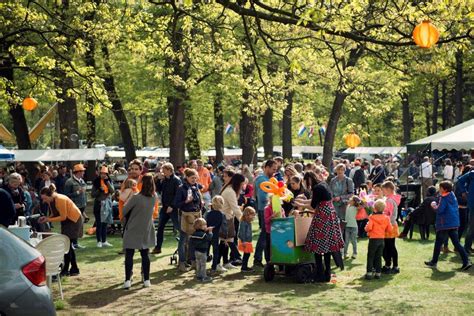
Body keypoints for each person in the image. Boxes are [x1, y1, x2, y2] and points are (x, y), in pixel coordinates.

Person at [295, 167, 344, 283]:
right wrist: (301, 202)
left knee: (317, 244)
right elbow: (315, 201)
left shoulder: (316, 188)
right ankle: (327, 273)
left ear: (309, 180)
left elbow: (312, 205)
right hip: (329, 214)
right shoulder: (323, 184)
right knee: (327, 246)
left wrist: (299, 203)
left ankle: (320, 274)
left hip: (322, 215)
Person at [424, 181, 472, 271]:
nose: (439, 189)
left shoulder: (443, 198)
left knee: (438, 243)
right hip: (453, 223)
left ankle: (433, 262)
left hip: (444, 224)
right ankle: (467, 261)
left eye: (440, 187)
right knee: (456, 243)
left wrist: (433, 205)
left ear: (444, 189)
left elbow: (439, 210)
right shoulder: (452, 195)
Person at [38, 184, 83, 276]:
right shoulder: (51, 201)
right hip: (67, 222)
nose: (44, 201)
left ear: (50, 195)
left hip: (74, 220)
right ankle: (72, 269)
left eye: (45, 198)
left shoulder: (60, 199)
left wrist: (48, 220)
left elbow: (63, 216)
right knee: (67, 245)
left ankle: (68, 269)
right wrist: (46, 217)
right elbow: (54, 214)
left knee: (66, 245)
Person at [122, 174, 158, 289]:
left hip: (133, 227)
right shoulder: (154, 197)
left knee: (129, 254)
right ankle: (146, 279)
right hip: (146, 228)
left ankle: (128, 279)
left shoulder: (137, 197)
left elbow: (124, 210)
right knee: (145, 254)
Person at [175, 168, 203, 272]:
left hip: (196, 215)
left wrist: (201, 203)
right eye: (192, 178)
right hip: (185, 216)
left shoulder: (196, 187)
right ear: (187, 177)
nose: (194, 179)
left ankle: (193, 262)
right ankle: (182, 263)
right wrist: (186, 201)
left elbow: (198, 200)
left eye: (196, 178)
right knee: (183, 240)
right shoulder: (181, 188)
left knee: (194, 240)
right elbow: (176, 204)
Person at [153, 162, 182, 254]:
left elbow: (178, 195)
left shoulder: (177, 180)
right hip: (165, 207)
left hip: (174, 209)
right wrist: (157, 180)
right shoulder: (164, 180)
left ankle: (183, 247)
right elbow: (159, 189)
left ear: (170, 170)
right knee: (160, 227)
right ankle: (158, 247)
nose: (163, 172)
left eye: (164, 170)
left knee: (179, 228)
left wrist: (172, 206)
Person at [254, 159, 278, 267]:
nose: (274, 171)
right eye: (273, 169)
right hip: (263, 210)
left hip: (271, 210)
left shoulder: (270, 179)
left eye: (276, 169)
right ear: (267, 167)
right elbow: (263, 197)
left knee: (268, 235)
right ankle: (257, 259)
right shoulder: (261, 179)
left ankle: (268, 258)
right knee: (264, 234)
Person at [219, 174, 245, 270]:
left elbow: (234, 207)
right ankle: (219, 263)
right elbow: (235, 208)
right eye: (242, 184)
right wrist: (243, 220)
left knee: (225, 241)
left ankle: (225, 262)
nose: (242, 186)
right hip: (226, 218)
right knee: (225, 241)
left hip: (228, 217)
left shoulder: (230, 190)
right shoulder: (230, 191)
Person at [364, 199, 392, 280]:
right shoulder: (386, 218)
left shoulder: (372, 217)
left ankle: (369, 273)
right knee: (378, 256)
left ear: (374, 208)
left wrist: (365, 228)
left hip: (373, 239)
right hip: (381, 239)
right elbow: (389, 229)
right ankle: (378, 273)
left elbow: (369, 228)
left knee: (370, 256)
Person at [64, 164, 88, 249]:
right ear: (78, 172)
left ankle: (76, 243)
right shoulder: (69, 182)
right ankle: (71, 244)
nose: (84, 173)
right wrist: (77, 193)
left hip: (81, 206)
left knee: (78, 226)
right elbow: (66, 195)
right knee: (72, 226)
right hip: (74, 206)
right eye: (82, 171)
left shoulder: (82, 181)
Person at [91, 166, 114, 248]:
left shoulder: (109, 181)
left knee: (105, 223)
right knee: (99, 223)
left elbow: (112, 191)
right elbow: (92, 195)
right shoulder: (96, 182)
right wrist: (99, 190)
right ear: (99, 174)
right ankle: (99, 241)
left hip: (107, 204)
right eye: (101, 173)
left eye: (104, 174)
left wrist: (107, 182)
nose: (103, 175)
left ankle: (104, 241)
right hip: (99, 204)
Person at [381, 181, 401, 274]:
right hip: (392, 225)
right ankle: (393, 265)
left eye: (383, 190)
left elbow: (387, 213)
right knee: (391, 246)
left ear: (388, 189)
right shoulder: (392, 199)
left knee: (388, 247)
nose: (383, 192)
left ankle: (389, 265)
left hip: (388, 225)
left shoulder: (389, 200)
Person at [206, 195, 226, 274]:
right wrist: (225, 236)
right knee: (215, 252)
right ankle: (214, 267)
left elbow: (205, 222)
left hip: (207, 234)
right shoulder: (221, 214)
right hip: (216, 235)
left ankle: (202, 267)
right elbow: (223, 226)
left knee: (206, 251)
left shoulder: (208, 213)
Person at [189, 218, 213, 282]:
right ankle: (204, 277)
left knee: (198, 264)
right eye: (205, 225)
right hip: (203, 252)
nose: (206, 226)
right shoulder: (204, 235)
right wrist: (210, 232)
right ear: (200, 226)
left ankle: (198, 276)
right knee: (203, 265)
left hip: (196, 251)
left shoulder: (194, 234)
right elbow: (209, 239)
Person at [456, 166, 474, 254]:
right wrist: (463, 191)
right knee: (471, 227)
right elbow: (460, 180)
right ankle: (467, 247)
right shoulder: (472, 173)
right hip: (473, 204)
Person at [238, 206, 256, 272]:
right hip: (245, 241)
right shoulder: (243, 223)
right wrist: (244, 241)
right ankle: (244, 267)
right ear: (247, 214)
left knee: (247, 254)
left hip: (248, 241)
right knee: (246, 254)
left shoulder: (249, 222)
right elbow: (242, 233)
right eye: (252, 215)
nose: (253, 217)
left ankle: (244, 266)